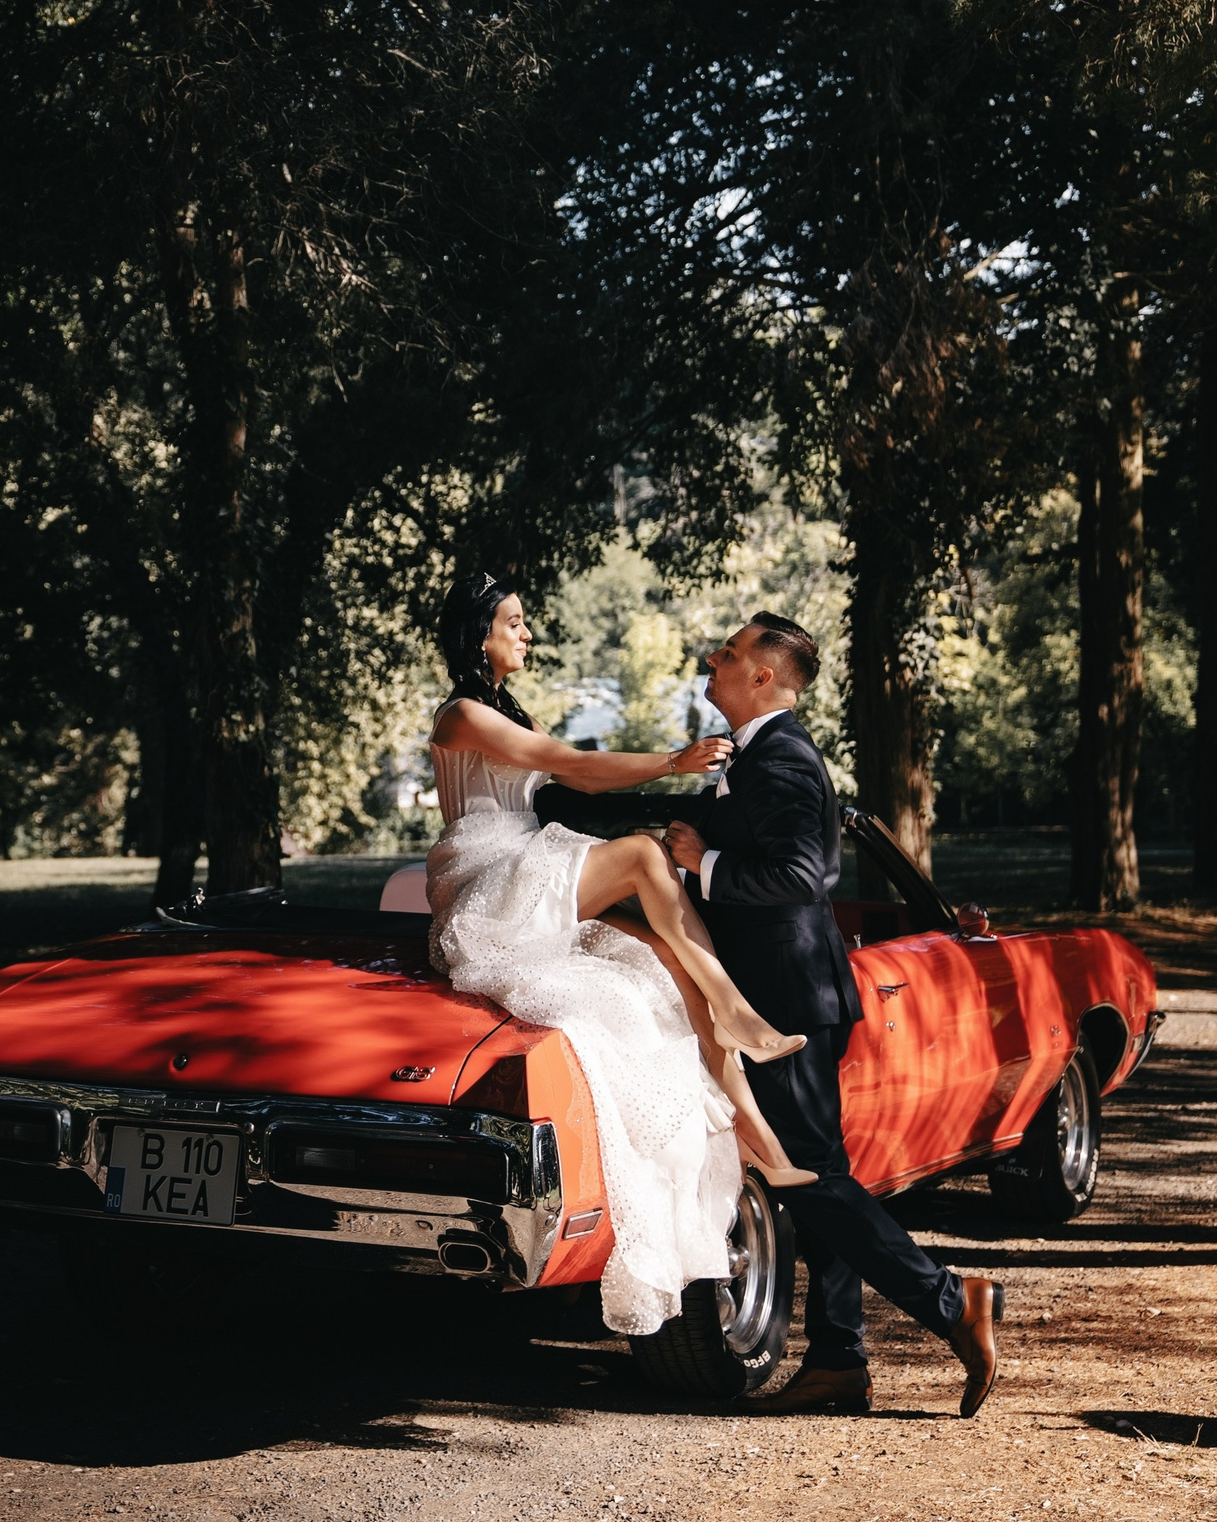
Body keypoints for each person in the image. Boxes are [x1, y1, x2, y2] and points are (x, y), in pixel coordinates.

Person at [422, 571, 821, 1336]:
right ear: (479, 633)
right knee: (642, 857)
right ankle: (737, 1008)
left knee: (658, 969)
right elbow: (568, 764)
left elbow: (565, 791)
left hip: (522, 869)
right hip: (485, 885)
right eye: (514, 621)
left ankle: (751, 1123)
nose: (527, 632)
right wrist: (674, 763)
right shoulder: (461, 714)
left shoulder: (500, 706)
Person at [664, 614, 1005, 1418]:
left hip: (787, 999)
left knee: (805, 1174)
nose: (715, 657)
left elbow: (803, 871)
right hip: (780, 995)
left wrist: (701, 863)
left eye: (733, 651)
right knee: (822, 1170)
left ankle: (954, 1301)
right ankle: (839, 1356)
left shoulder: (785, 757)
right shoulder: (747, 758)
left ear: (765, 678)